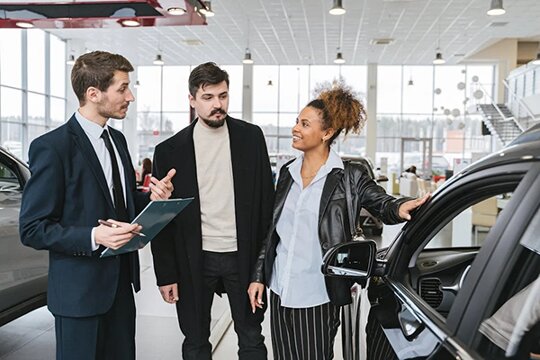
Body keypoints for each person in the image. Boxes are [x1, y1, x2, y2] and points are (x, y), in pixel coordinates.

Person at [248, 85, 429, 359]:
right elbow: (272, 232)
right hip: (281, 288)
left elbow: (381, 202)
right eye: (297, 121)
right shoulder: (287, 172)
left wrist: (401, 206)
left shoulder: (348, 176)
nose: (295, 128)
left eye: (304, 124)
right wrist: (259, 276)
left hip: (317, 293)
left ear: (326, 133)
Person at [19, 51, 175, 360]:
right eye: (122, 88)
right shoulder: (52, 147)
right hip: (78, 295)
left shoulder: (116, 141)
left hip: (120, 287)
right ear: (93, 93)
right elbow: (33, 228)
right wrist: (94, 237)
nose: (130, 96)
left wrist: (152, 198)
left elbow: (119, 204)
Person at [151, 62, 274, 360]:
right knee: (194, 339)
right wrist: (165, 274)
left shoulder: (251, 138)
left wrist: (262, 270)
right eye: (208, 97)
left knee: (251, 336)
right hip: (194, 258)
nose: (217, 105)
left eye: (223, 96)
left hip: (241, 257)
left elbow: (266, 207)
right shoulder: (168, 150)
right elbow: (162, 219)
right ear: (192, 100)